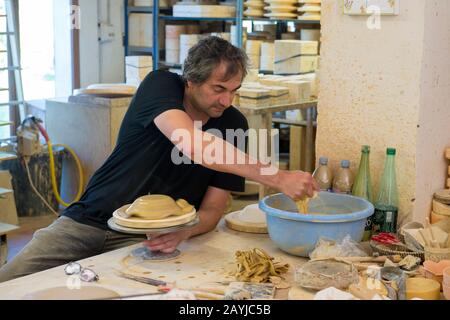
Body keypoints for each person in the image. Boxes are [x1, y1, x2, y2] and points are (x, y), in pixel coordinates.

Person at [0, 36, 319, 283]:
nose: (226, 100)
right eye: (218, 89)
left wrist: (184, 232)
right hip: (88, 220)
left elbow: (211, 210)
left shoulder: (233, 122)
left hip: (148, 238)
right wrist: (278, 177)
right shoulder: (161, 86)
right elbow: (194, 144)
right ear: (191, 81)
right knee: (11, 281)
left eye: (234, 90)